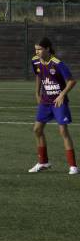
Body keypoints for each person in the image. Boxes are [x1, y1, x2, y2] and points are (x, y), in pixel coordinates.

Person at [28, 37, 77, 175]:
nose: (37, 52)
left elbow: (72, 81)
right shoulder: (35, 61)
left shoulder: (57, 63)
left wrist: (62, 95)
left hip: (58, 102)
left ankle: (73, 166)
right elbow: (38, 75)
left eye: (39, 49)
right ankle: (43, 162)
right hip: (45, 101)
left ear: (47, 49)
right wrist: (37, 93)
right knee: (37, 130)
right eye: (35, 49)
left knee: (63, 131)